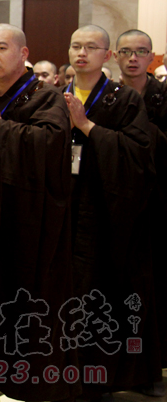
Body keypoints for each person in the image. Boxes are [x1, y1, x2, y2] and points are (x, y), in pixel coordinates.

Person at [0, 24, 78, 401]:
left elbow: (50, 145)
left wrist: (1, 126)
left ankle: (31, 382)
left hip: (33, 216)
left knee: (30, 302)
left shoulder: (45, 96)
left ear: (23, 54)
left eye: (2, 48)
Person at [63, 25, 160, 399]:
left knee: (102, 295)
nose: (82, 53)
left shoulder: (124, 100)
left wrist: (87, 126)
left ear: (107, 56)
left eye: (91, 47)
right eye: (76, 46)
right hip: (65, 208)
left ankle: (101, 375)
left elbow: (138, 155)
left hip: (108, 212)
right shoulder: (56, 96)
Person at [114, 29, 167, 395]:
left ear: (152, 58)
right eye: (127, 52)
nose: (133, 58)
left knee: (154, 286)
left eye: (141, 52)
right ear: (115, 56)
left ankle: (151, 366)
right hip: (116, 201)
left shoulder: (163, 98)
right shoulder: (109, 96)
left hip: (158, 204)